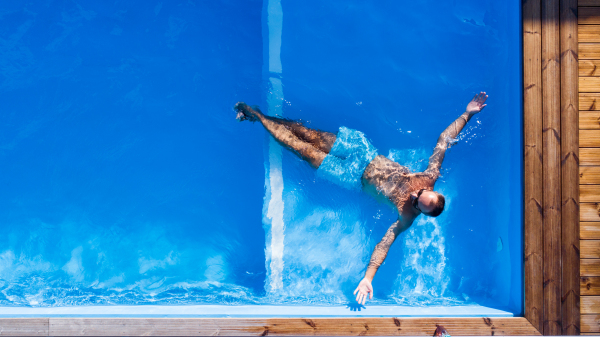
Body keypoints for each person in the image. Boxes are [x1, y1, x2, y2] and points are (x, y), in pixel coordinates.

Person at [233, 92, 488, 305]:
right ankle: (260, 116)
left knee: (299, 147)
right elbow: (444, 140)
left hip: (348, 175)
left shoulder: (406, 217)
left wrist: (368, 278)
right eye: (420, 193)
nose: (413, 194)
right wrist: (467, 113)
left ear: (420, 211)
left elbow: (384, 245)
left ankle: (256, 115)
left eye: (416, 201)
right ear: (429, 189)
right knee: (305, 132)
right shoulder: (430, 175)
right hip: (361, 149)